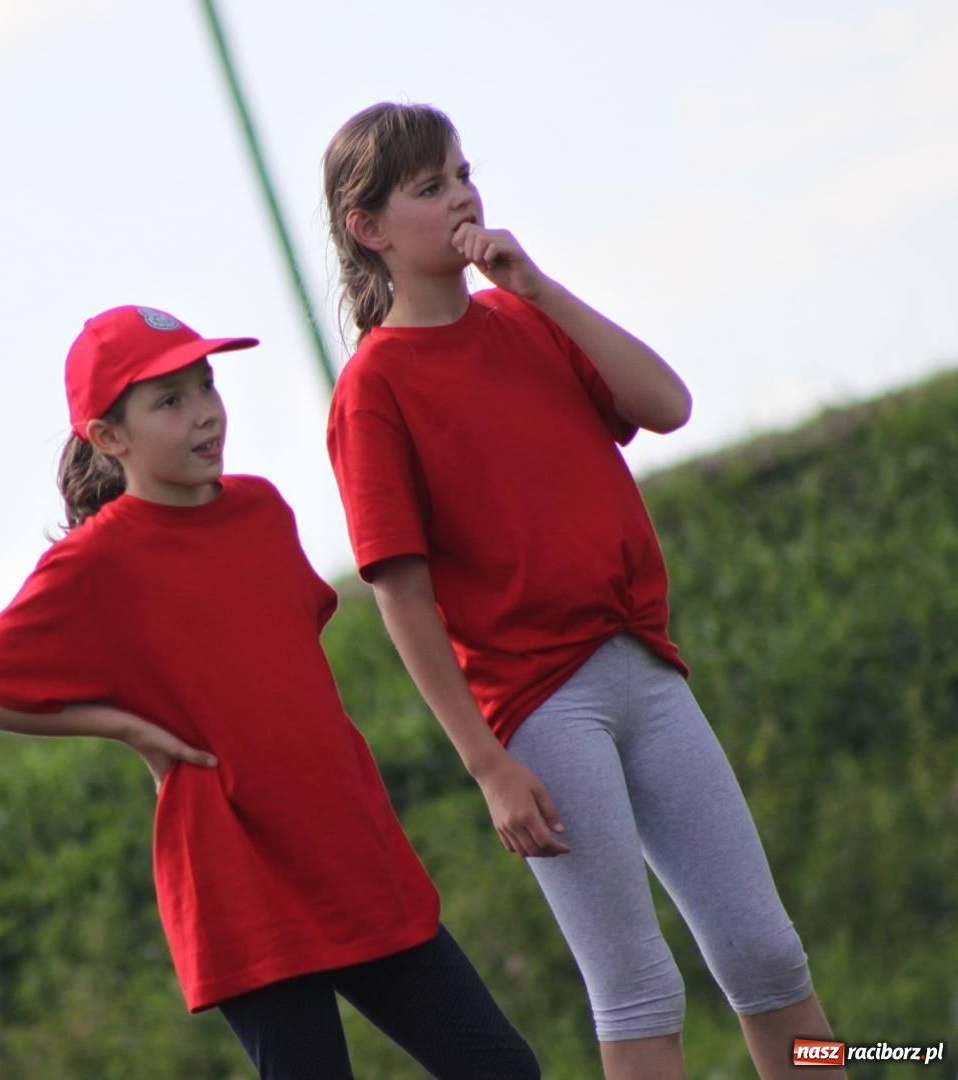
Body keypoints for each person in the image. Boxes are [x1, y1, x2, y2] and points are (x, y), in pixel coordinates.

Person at [320, 102, 843, 1080]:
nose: (463, 196)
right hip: (537, 709)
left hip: (645, 669)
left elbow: (666, 405)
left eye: (464, 173)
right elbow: (400, 595)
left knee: (767, 952)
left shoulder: (527, 317)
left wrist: (541, 288)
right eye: (430, 187)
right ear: (369, 228)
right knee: (638, 988)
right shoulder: (373, 390)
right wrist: (486, 765)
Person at [0, 305, 540, 1080]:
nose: (205, 415)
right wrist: (128, 728)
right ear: (108, 438)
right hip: (239, 883)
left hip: (349, 848)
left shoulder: (262, 510)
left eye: (206, 386)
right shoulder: (96, 562)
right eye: (170, 401)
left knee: (499, 1067)